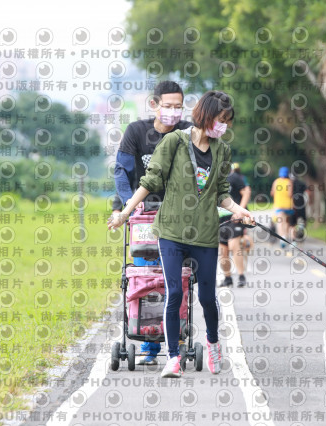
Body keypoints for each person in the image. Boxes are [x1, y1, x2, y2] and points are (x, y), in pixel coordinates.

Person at [108, 91, 254, 379]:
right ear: (206, 115)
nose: (224, 126)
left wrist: (240, 210)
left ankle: (213, 343)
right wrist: (125, 213)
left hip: (204, 234)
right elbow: (150, 181)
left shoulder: (222, 151)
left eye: (227, 121)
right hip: (172, 232)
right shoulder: (174, 141)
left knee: (207, 297)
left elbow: (221, 193)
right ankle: (173, 358)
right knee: (174, 292)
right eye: (221, 119)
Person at [114, 81, 192, 365]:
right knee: (147, 275)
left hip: (179, 216)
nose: (173, 111)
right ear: (154, 105)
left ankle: (174, 339)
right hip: (144, 215)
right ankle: (149, 345)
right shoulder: (136, 131)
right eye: (168, 105)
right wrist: (129, 204)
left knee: (177, 277)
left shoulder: (188, 132)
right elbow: (122, 172)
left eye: (178, 106)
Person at [218, 163, 252, 288]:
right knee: (223, 250)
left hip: (235, 218)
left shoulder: (234, 177)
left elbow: (247, 192)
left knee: (234, 245)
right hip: (220, 219)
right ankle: (227, 278)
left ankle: (241, 276)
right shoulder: (213, 178)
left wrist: (240, 211)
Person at [271, 166, 293, 248]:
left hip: (279, 205)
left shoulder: (276, 182)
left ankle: (282, 238)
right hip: (288, 205)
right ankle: (285, 236)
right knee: (286, 222)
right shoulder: (289, 182)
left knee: (280, 222)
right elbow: (290, 194)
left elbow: (272, 193)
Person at [289, 172, 308, 244]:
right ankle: (301, 229)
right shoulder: (302, 183)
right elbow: (307, 192)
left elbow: (289, 194)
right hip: (301, 205)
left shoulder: (289, 184)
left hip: (292, 206)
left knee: (292, 224)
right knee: (303, 219)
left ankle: (293, 240)